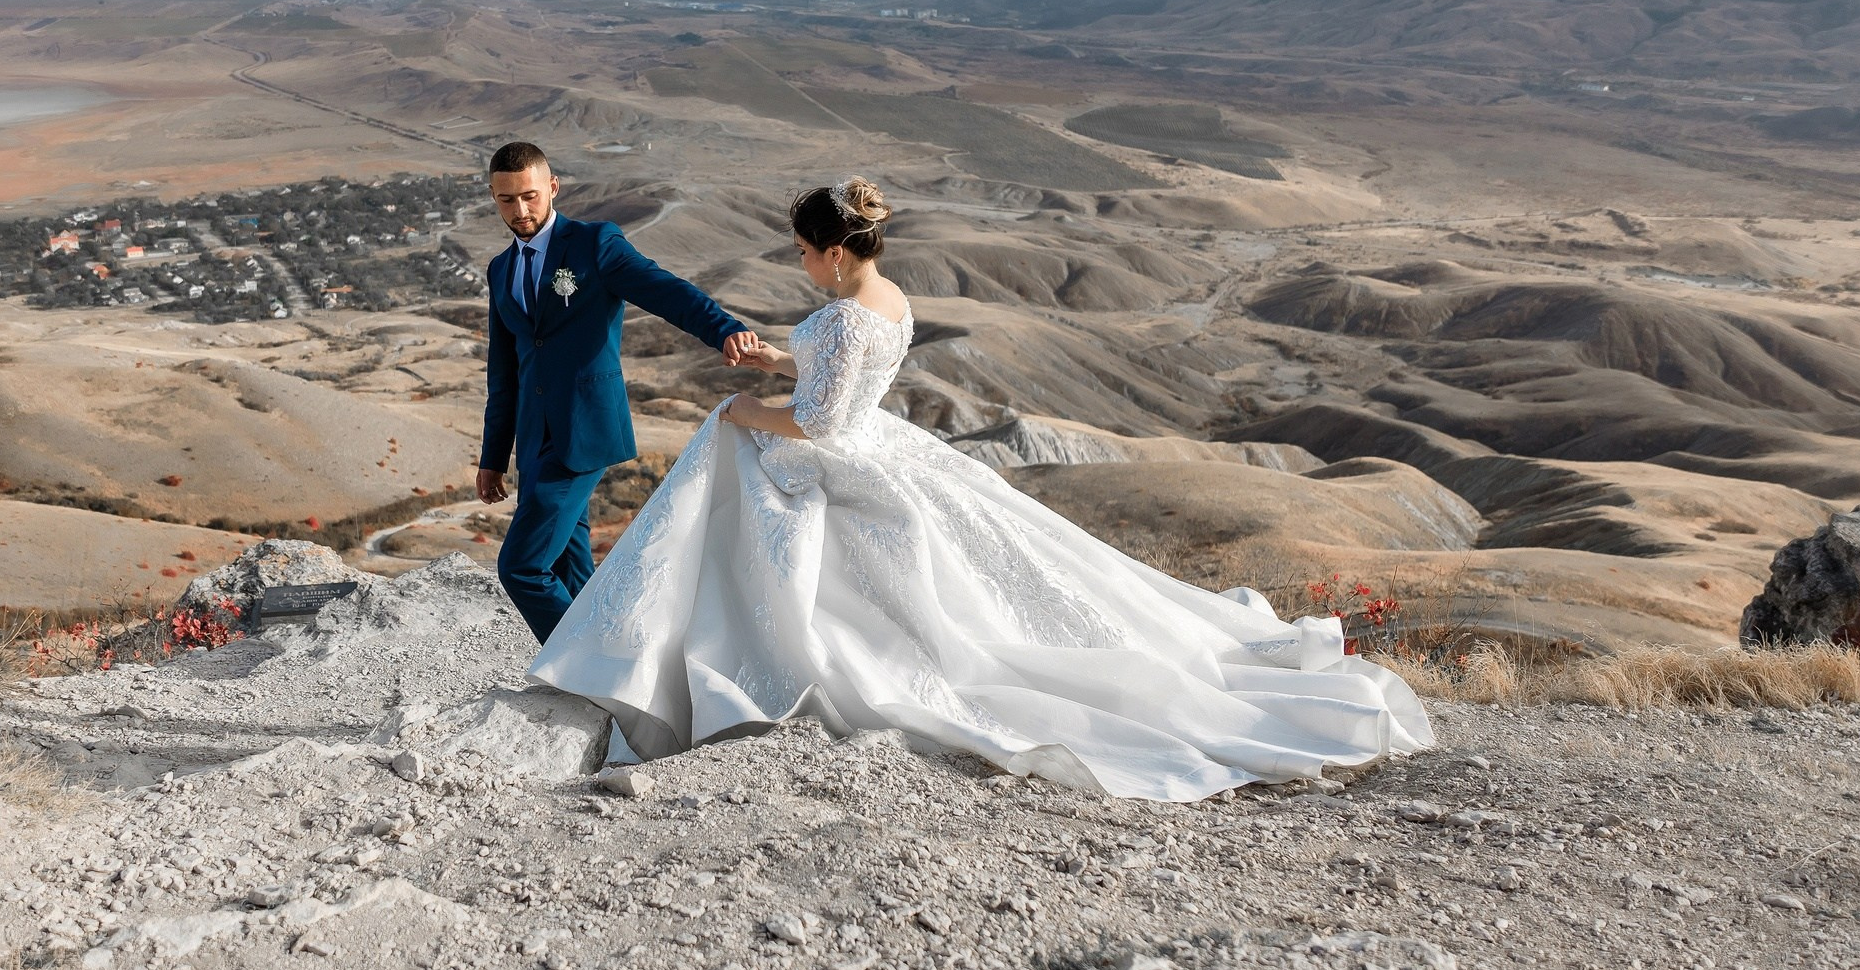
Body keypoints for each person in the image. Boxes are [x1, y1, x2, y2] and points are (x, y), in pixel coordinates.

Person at [527, 176, 1432, 802]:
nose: (801, 266)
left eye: (806, 253)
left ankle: (675, 668)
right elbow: (834, 366)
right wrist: (775, 357)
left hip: (840, 458)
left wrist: (741, 409)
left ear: (837, 254)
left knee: (739, 491)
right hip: (881, 437)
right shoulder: (886, 301)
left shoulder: (844, 314)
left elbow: (820, 423)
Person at [476, 141, 763, 641]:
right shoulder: (500, 269)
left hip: (583, 429)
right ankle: (613, 662)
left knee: (521, 567)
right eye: (506, 200)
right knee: (571, 569)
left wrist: (724, 328)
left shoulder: (594, 244)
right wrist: (493, 456)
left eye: (529, 196)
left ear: (553, 188)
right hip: (534, 441)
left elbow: (664, 289)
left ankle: (583, 668)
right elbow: (504, 373)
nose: (519, 211)